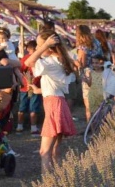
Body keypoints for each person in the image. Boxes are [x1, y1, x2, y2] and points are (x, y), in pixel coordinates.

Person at [24, 31, 77, 172]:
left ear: (49, 46)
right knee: (54, 150)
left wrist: (45, 44)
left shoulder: (49, 62)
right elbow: (56, 88)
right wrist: (38, 90)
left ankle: (47, 184)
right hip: (59, 102)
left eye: (40, 46)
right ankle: (57, 179)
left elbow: (28, 62)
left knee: (44, 152)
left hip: (53, 105)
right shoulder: (61, 60)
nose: (37, 49)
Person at [17, 40, 42, 134]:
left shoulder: (25, 58)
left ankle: (22, 127)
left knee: (27, 107)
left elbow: (20, 71)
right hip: (30, 86)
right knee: (30, 107)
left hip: (30, 87)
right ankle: (31, 127)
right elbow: (21, 70)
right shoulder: (34, 59)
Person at [74, 25, 95, 122]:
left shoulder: (82, 47)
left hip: (86, 73)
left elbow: (82, 63)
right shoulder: (94, 45)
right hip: (95, 72)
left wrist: (74, 62)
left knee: (88, 104)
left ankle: (89, 125)